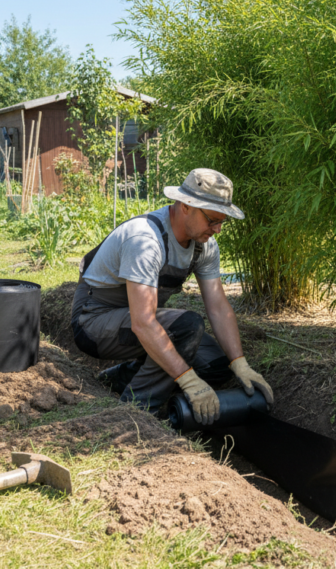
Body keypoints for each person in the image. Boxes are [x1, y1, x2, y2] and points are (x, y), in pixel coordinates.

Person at [70, 168, 273, 424]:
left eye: (222, 221)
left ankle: (121, 377)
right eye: (212, 220)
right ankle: (137, 413)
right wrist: (187, 380)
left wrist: (239, 363)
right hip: (95, 322)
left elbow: (219, 308)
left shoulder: (204, 245)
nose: (218, 229)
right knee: (188, 327)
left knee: (216, 365)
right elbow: (143, 322)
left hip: (136, 320)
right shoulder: (145, 240)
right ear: (186, 206)